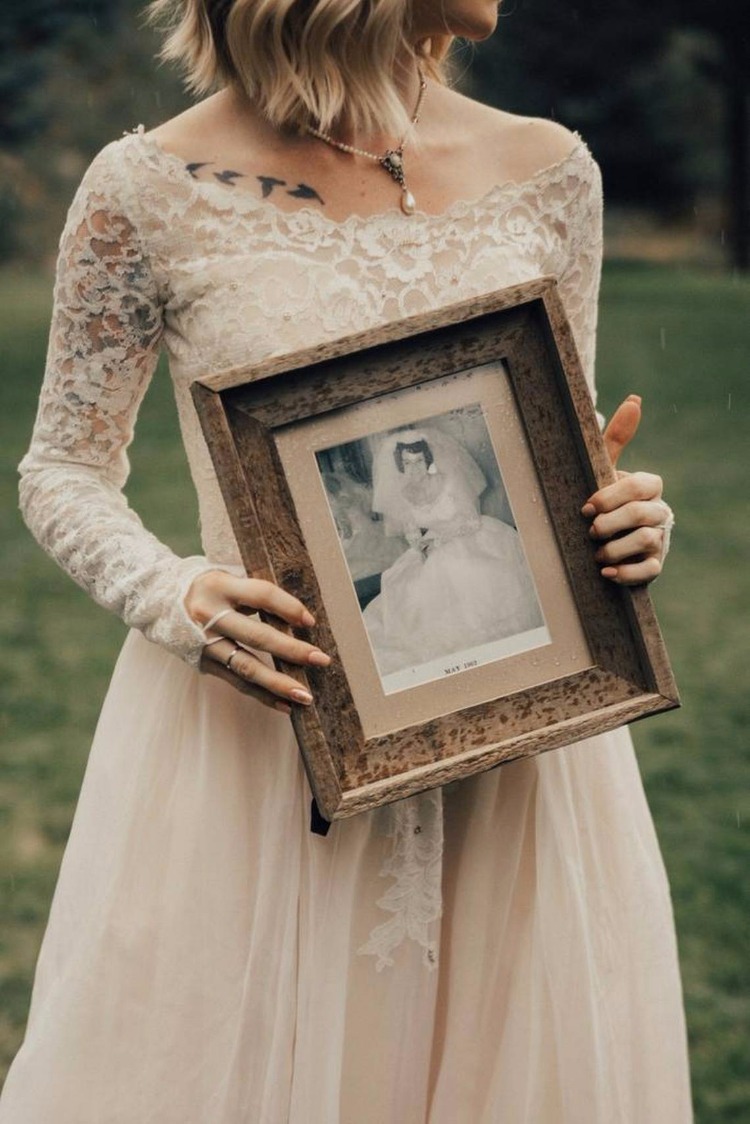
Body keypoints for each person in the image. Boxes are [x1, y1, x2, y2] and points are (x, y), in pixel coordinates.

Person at [0, 1, 691, 1121]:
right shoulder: (145, 189)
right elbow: (61, 470)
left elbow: (555, 450)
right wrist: (172, 593)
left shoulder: (553, 171)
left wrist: (619, 523)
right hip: (263, 743)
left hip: (517, 756)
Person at [362, 427, 544, 678]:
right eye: (407, 463)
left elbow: (471, 521)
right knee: (413, 589)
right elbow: (412, 533)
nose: (414, 468)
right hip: (433, 546)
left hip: (468, 537)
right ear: (400, 465)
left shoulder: (448, 479)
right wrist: (421, 545)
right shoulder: (405, 493)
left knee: (461, 570)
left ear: (428, 459)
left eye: (418, 461)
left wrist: (441, 539)